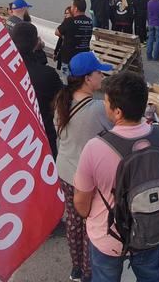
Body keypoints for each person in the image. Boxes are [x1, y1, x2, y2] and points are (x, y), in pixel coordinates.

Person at [73, 72, 159, 282]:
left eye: (106, 102)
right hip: (150, 230)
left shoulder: (96, 148)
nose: (103, 105)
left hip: (108, 238)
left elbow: (82, 203)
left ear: (118, 112)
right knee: (151, 276)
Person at [55, 52, 114, 282]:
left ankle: (76, 268)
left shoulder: (62, 100)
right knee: (92, 222)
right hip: (87, 178)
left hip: (65, 171)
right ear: (88, 78)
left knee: (73, 221)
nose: (102, 75)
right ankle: (90, 272)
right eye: (99, 72)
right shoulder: (98, 109)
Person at [11, 23, 63, 154]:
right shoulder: (47, 74)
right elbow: (62, 100)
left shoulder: (1, 71)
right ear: (36, 43)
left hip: (11, 136)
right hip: (42, 137)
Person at [56, 0, 93, 76]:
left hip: (69, 59)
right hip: (83, 57)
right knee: (79, 83)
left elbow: (57, 32)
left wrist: (65, 35)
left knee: (67, 83)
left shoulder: (69, 21)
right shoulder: (89, 21)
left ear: (76, 9)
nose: (71, 8)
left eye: (72, 6)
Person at [53, 6, 73, 71]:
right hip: (62, 53)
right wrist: (55, 52)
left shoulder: (72, 25)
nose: (65, 15)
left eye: (67, 13)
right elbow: (60, 40)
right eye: (65, 13)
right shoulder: (64, 24)